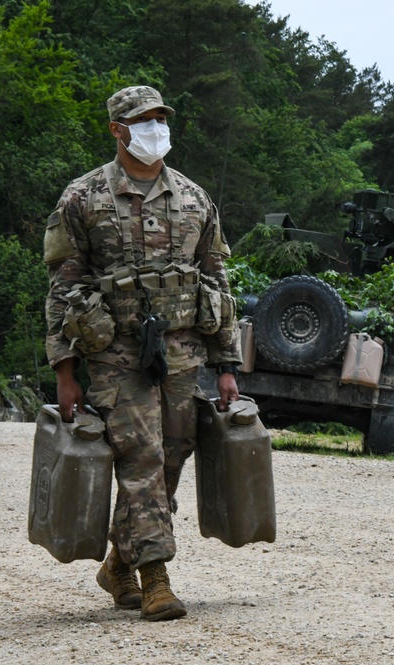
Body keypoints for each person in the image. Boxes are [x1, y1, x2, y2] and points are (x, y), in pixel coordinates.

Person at [43, 85, 242, 622]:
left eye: (160, 117)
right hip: (115, 355)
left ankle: (117, 562)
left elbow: (218, 283)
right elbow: (64, 288)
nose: (155, 127)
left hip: (182, 354)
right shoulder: (82, 199)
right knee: (142, 458)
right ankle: (156, 577)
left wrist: (228, 366)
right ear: (117, 129)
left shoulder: (196, 199)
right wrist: (66, 373)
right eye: (143, 119)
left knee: (172, 458)